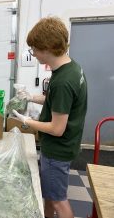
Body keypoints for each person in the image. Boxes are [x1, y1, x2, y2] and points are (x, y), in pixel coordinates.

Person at [13, 17, 87, 218]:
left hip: (57, 150)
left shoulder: (63, 81)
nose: (34, 53)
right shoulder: (70, 68)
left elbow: (57, 128)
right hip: (65, 146)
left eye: (35, 49)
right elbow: (55, 100)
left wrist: (27, 121)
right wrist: (31, 97)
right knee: (50, 194)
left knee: (58, 200)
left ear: (47, 48)